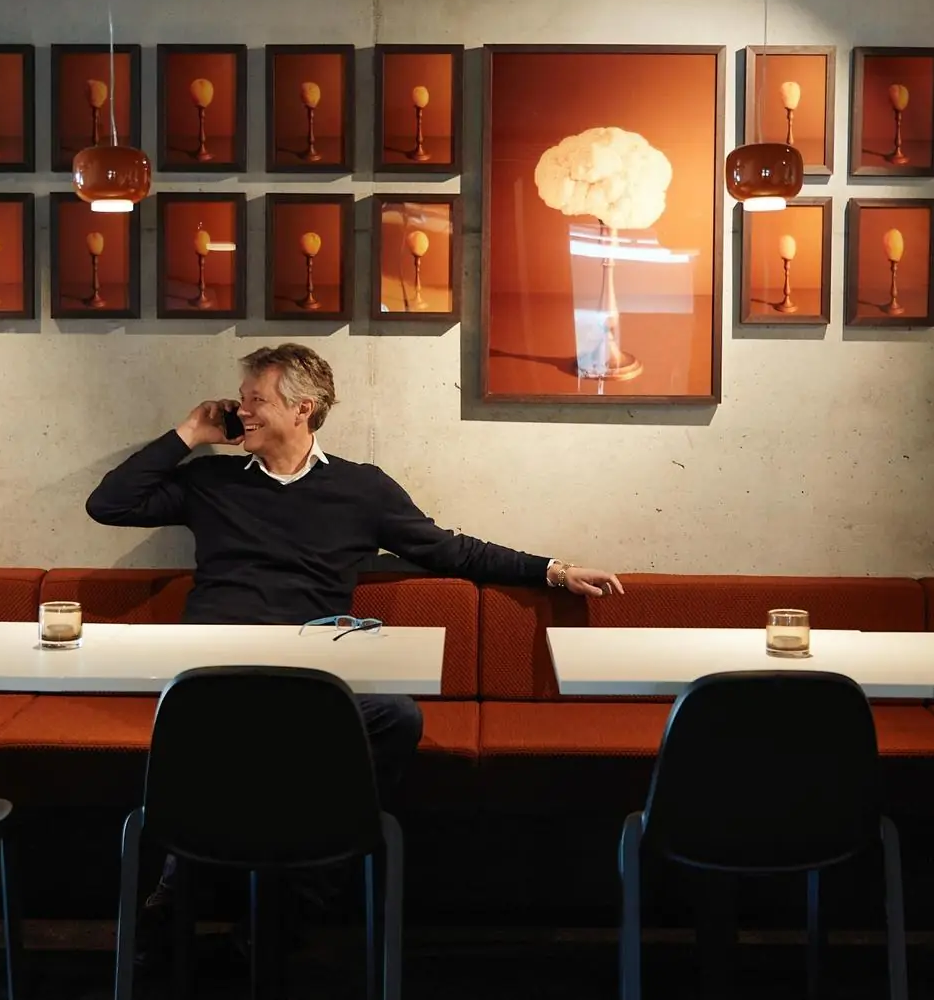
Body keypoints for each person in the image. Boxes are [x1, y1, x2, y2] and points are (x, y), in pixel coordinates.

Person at [86, 343, 624, 903]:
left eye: (256, 400)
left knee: (396, 717)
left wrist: (554, 571)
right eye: (241, 399)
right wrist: (190, 433)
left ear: (302, 408)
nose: (240, 410)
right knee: (224, 727)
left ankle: (306, 872)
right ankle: (204, 881)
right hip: (214, 677)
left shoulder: (361, 489)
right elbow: (109, 505)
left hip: (312, 680)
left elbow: (451, 551)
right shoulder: (211, 481)